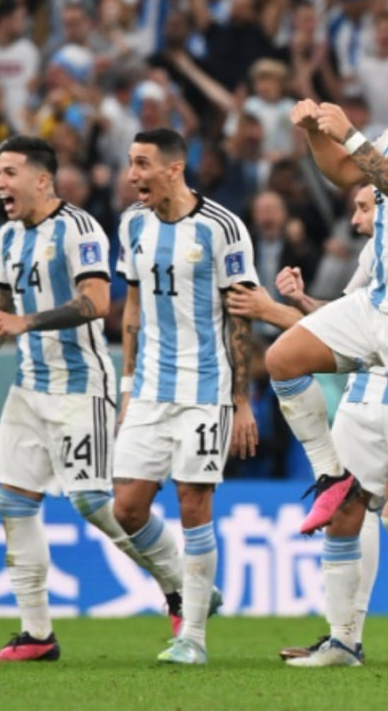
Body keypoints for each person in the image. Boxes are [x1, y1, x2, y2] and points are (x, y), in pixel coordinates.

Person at [0, 137, 186, 663]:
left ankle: (181, 588)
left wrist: (25, 323)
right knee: (13, 503)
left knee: (96, 504)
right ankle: (37, 635)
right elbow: (1, 310)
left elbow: (97, 303)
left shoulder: (78, 229)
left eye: (9, 172)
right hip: (28, 388)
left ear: (41, 179)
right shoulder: (7, 237)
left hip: (82, 387)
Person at [265, 38, 388, 545]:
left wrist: (349, 134)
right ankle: (332, 476)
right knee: (283, 360)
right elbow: (341, 172)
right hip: (376, 302)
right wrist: (316, 134)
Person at [227, 186, 388, 666]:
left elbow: (366, 346)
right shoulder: (376, 255)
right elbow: (349, 327)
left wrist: (270, 312)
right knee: (353, 510)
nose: (357, 218)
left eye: (366, 207)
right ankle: (343, 639)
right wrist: (301, 302)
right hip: (368, 398)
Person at [113, 128, 260, 666]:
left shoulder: (223, 228)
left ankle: (192, 635)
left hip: (205, 391)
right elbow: (131, 308)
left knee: (193, 505)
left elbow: (242, 315)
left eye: (143, 165)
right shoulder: (132, 224)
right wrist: (127, 386)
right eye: (131, 164)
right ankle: (190, 585)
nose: (133, 176)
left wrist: (241, 401)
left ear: (174, 169)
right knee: (125, 509)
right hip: (150, 390)